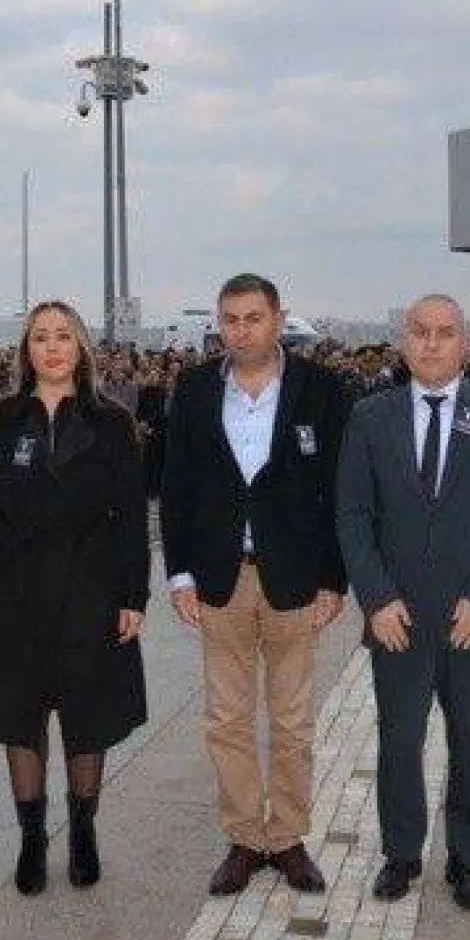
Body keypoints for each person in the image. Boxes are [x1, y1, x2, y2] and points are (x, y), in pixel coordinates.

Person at [335, 294, 470, 913]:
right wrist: (376, 599)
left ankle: (466, 860)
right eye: (420, 332)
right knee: (399, 740)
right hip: (398, 617)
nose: (430, 343)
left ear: (465, 344)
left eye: (444, 333)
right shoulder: (371, 417)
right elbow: (353, 515)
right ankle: (401, 854)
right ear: (403, 341)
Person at [0, 300, 150, 896]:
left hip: (91, 591)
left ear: (81, 347)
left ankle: (84, 831)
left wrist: (132, 595)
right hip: (15, 595)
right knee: (21, 716)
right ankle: (32, 838)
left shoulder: (113, 423)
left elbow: (131, 520)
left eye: (64, 336)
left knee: (88, 718)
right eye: (40, 337)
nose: (53, 347)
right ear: (26, 351)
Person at [160, 273, 348, 897]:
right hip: (220, 581)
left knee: (293, 723)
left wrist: (334, 577)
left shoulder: (320, 389)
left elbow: (339, 492)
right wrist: (179, 573)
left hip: (295, 580)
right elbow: (178, 486)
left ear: (278, 319)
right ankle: (244, 839)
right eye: (231, 320)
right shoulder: (190, 390)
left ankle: (288, 838)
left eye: (253, 318)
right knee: (227, 721)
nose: (241, 330)